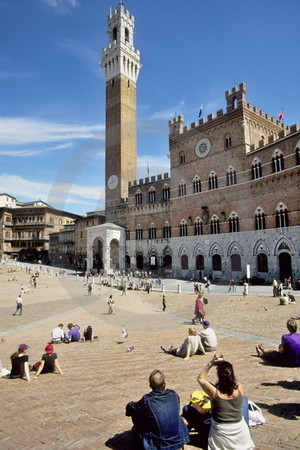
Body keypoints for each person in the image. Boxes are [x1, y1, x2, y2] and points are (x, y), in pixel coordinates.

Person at [197, 355, 254, 450]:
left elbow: (201, 378)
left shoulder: (215, 392)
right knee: (244, 400)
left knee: (188, 410)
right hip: (240, 433)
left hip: (221, 433)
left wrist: (211, 364)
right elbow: (234, 380)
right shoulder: (239, 387)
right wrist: (224, 364)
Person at [125, 369, 189, 449]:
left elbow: (131, 407)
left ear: (150, 385)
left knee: (137, 412)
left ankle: (139, 437)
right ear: (164, 383)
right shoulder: (174, 395)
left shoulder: (147, 400)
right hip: (179, 439)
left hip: (159, 444)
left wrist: (129, 409)